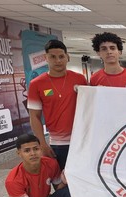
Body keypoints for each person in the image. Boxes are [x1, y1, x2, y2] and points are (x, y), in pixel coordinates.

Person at [27, 40, 87, 170]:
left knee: (83, 183)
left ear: (67, 57)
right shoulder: (36, 84)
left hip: (82, 140)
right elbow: (34, 117)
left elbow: (89, 109)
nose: (58, 60)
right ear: (46, 58)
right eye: (52, 57)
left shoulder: (80, 79)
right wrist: (42, 144)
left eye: (61, 56)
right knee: (61, 183)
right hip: (58, 143)